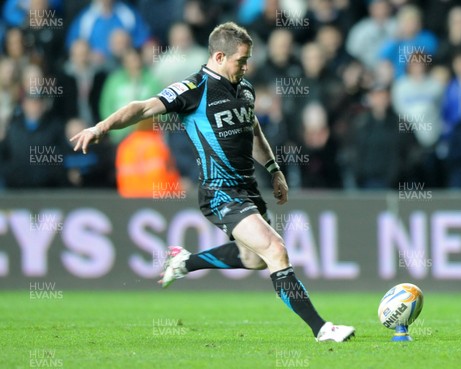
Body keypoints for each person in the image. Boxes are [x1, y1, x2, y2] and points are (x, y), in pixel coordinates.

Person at [70, 21, 355, 343]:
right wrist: (100, 128)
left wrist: (274, 170)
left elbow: (254, 131)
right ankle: (322, 329)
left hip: (247, 189)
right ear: (219, 56)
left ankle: (184, 261)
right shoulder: (193, 89)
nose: (246, 67)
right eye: (241, 61)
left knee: (255, 259)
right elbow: (142, 107)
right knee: (276, 250)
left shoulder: (244, 89)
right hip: (220, 192)